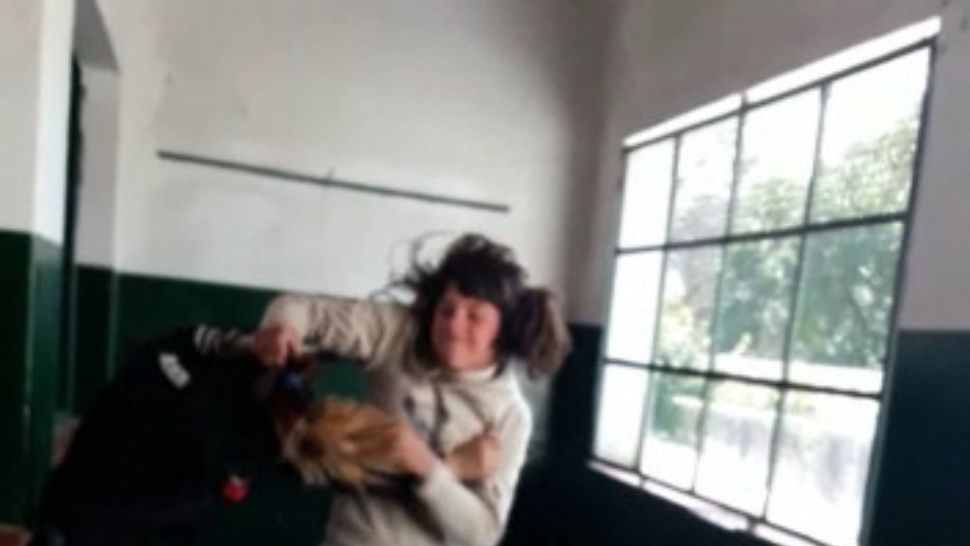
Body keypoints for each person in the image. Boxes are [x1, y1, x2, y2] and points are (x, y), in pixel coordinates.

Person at [252, 233, 570, 546]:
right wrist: (281, 327)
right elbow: (303, 309)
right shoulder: (400, 332)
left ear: (502, 331)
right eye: (447, 310)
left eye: (475, 317)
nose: (454, 327)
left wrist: (425, 465)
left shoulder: (509, 413)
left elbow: (483, 534)